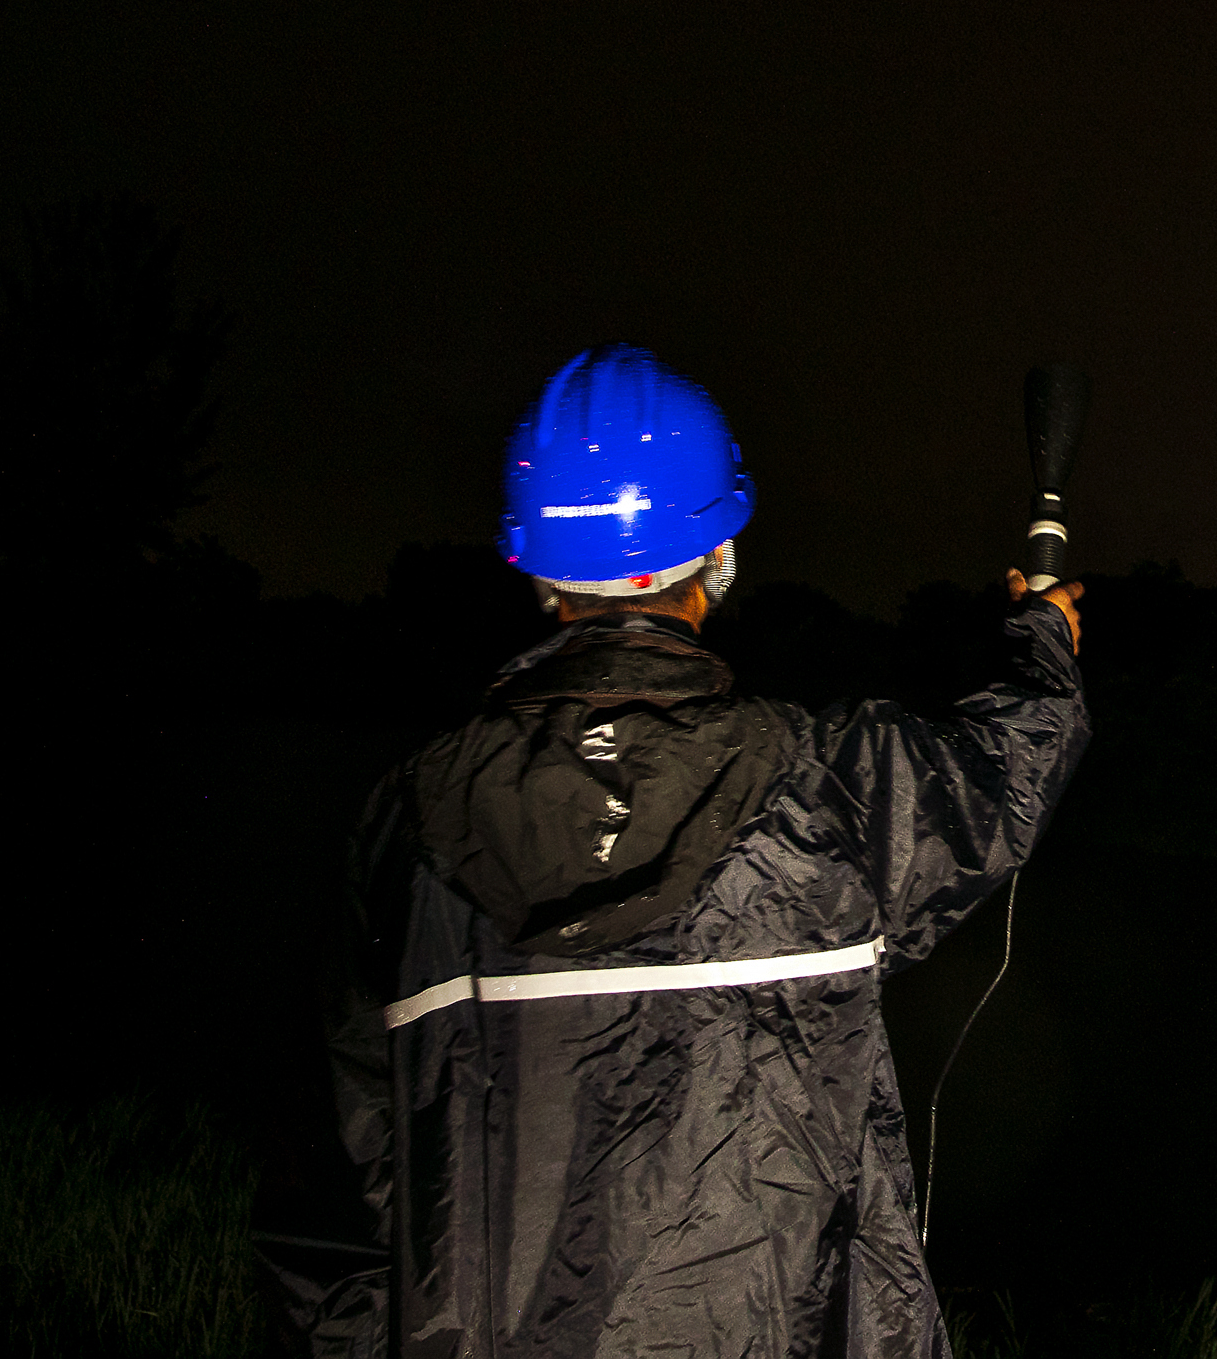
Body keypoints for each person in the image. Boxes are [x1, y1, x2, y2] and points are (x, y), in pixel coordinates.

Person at [275, 343, 1088, 1358]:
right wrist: (1042, 635)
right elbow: (1011, 763)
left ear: (537, 572)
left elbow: (337, 1208)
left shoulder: (402, 827)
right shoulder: (833, 787)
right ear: (720, 557)